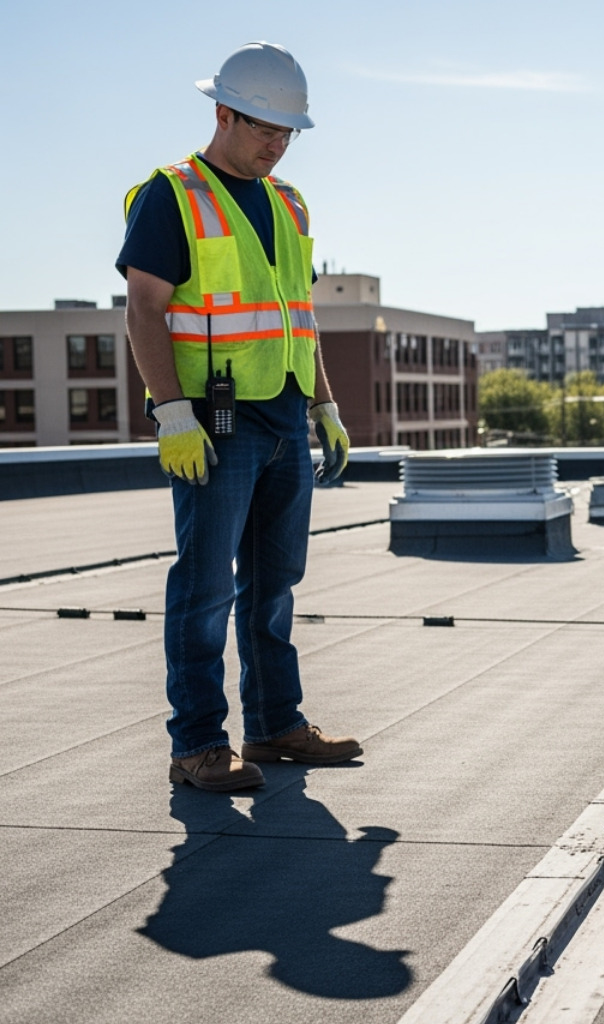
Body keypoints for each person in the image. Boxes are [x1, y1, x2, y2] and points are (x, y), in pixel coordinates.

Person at [118, 42, 359, 791]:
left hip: (284, 415)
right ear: (223, 113)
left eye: (288, 132)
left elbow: (299, 314)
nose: (277, 143)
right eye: (264, 127)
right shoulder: (171, 194)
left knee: (275, 583)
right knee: (205, 588)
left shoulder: (289, 203)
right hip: (213, 424)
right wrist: (172, 413)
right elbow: (144, 309)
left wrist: (324, 404)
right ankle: (195, 745)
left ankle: (274, 725)